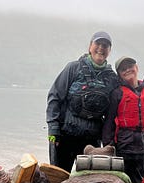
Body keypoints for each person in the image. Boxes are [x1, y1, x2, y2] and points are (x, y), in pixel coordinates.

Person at [46, 31, 118, 172]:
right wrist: (53, 128)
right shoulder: (73, 68)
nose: (101, 48)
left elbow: (121, 100)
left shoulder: (112, 78)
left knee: (88, 181)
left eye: (105, 46)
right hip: (65, 134)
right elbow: (54, 96)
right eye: (98, 44)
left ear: (109, 51)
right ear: (90, 46)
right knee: (59, 177)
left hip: (92, 140)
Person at [102, 56, 144, 183]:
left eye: (130, 66)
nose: (127, 70)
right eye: (123, 69)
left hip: (143, 149)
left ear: (136, 68)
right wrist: (108, 148)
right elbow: (108, 123)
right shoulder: (117, 93)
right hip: (123, 149)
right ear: (119, 75)